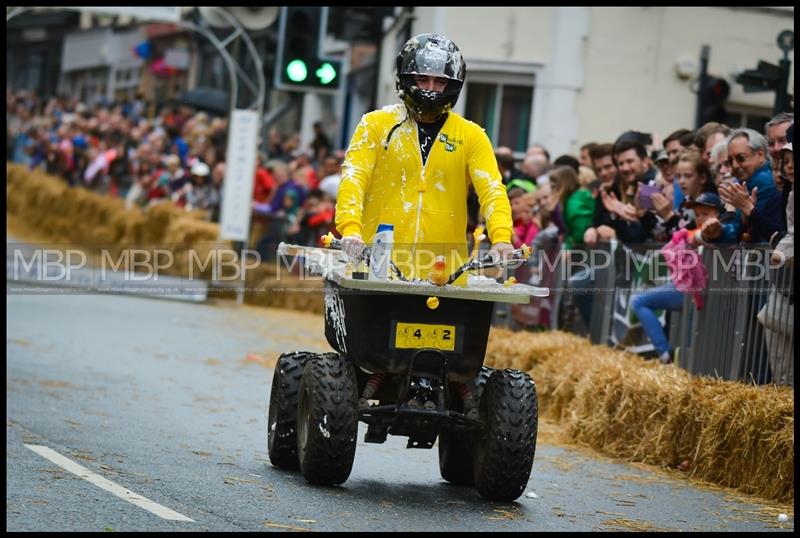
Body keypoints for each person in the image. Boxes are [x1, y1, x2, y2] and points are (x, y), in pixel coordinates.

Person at [335, 33, 514, 282]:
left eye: (440, 82)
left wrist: (502, 237)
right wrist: (351, 229)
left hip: (445, 272)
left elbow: (492, 190)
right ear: (407, 79)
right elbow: (354, 178)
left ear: (453, 85)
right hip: (376, 264)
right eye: (422, 79)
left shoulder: (471, 135)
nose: (430, 89)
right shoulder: (375, 124)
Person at [631, 192, 733, 364]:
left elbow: (705, 237)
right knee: (640, 302)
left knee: (640, 302)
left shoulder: (722, 230)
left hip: (707, 294)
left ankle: (667, 356)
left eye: (705, 214)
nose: (700, 218)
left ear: (718, 214)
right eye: (698, 214)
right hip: (692, 291)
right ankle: (667, 355)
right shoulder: (692, 231)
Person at [718, 128, 784, 243]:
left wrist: (729, 214)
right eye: (730, 160)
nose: (734, 166)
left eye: (741, 158)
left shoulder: (763, 182)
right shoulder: (742, 182)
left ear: (760, 155)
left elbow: (732, 235)